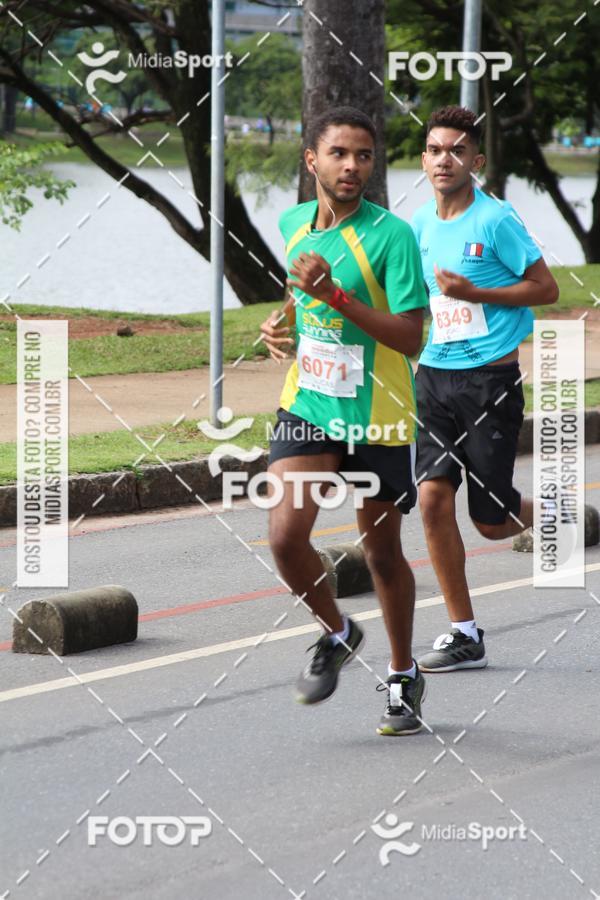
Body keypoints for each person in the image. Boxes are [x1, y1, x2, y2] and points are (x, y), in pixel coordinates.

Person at [260, 106, 429, 735]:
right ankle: (337, 630)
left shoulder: (393, 237)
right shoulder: (294, 223)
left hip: (379, 412)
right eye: (339, 154)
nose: (352, 166)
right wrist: (283, 321)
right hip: (309, 404)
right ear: (313, 161)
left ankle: (404, 673)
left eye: (363, 155)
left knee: (382, 553)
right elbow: (300, 290)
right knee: (284, 537)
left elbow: (410, 337)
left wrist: (335, 296)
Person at [411, 106, 559, 672]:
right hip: (434, 378)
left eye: (455, 150)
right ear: (423, 160)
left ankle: (560, 517)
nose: (443, 159)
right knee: (431, 499)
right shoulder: (420, 225)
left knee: (492, 522)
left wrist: (477, 294)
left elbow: (545, 289)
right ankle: (463, 631)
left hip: (489, 381)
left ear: (477, 159)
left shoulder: (495, 220)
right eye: (433, 149)